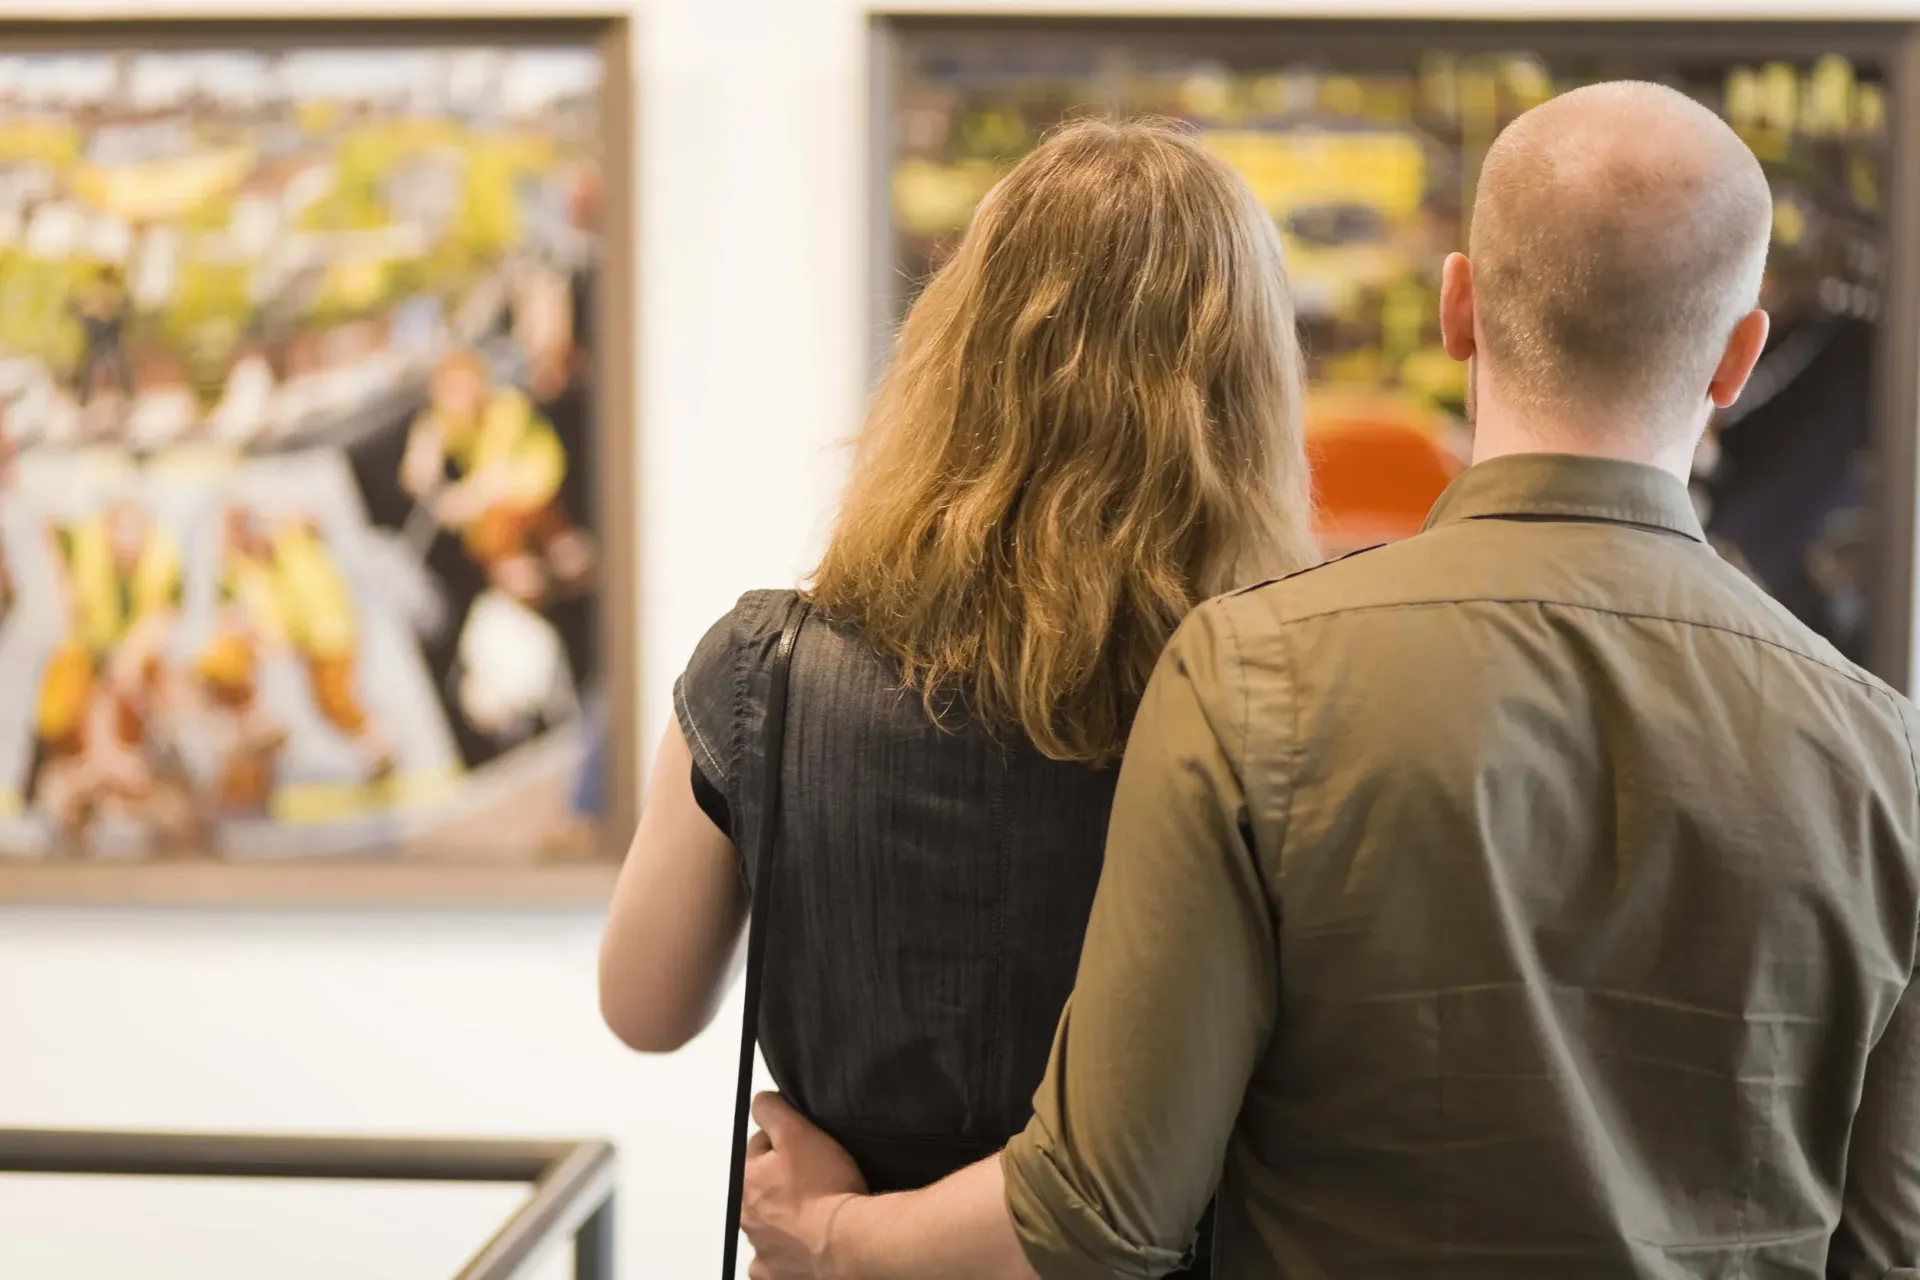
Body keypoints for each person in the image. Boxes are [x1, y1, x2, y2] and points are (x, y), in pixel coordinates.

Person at [738, 82, 1920, 1280]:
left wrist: (829, 1233)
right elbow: (1890, 1248)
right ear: (1737, 356)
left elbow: (1101, 1212)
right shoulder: (1889, 763)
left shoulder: (1253, 674)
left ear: (1461, 308)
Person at [598, 117, 1315, 1253]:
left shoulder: (764, 671)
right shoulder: (1286, 693)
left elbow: (644, 1005)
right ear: (1243, 396)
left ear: (957, 347)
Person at [398, 349, 594, 606]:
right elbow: (416, 470)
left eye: (462, 389)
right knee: (502, 551)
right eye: (447, 391)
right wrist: (422, 469)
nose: (455, 400)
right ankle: (524, 598)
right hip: (501, 506)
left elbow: (492, 479)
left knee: (561, 549)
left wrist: (456, 503)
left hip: (536, 488)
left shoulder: (505, 407)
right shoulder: (439, 419)